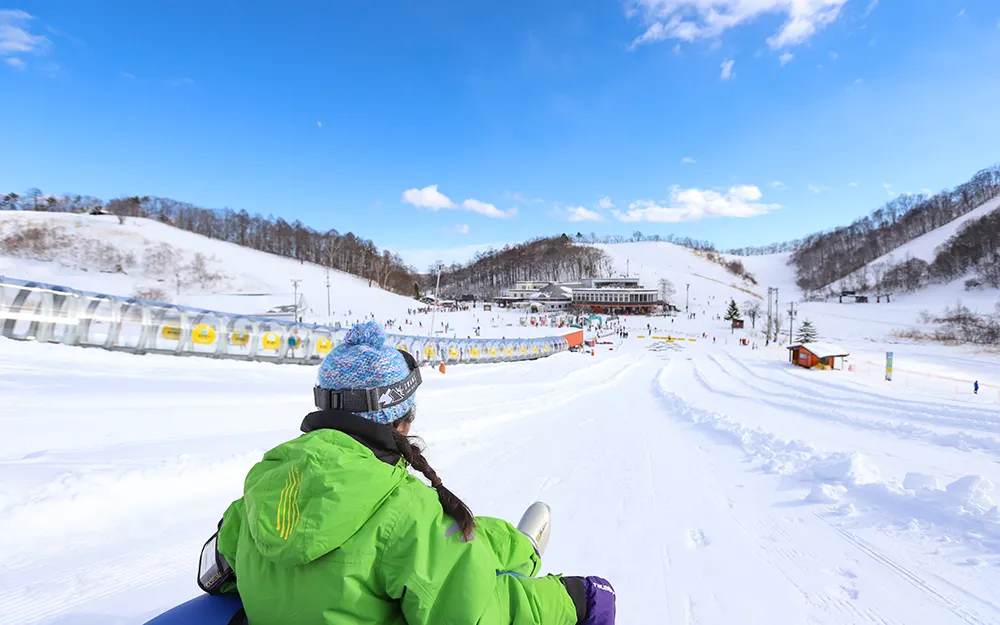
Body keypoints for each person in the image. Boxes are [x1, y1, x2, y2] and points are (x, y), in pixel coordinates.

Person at [207, 321, 615, 625]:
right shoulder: (406, 510)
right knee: (446, 552)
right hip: (431, 559)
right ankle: (521, 556)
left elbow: (223, 573)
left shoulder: (262, 487)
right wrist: (574, 599)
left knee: (452, 544)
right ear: (401, 420)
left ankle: (513, 546)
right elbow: (474, 614)